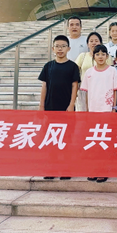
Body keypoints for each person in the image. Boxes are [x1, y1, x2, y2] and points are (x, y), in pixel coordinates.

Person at [38, 35, 82, 181]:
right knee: (52, 139)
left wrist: (71, 104)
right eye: (57, 46)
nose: (60, 49)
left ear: (68, 48)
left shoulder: (72, 66)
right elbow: (44, 86)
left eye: (63, 46)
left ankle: (65, 170)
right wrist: (41, 105)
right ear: (53, 48)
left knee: (67, 139)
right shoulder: (48, 66)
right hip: (51, 108)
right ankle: (51, 169)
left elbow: (75, 86)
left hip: (66, 109)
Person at [80, 44, 117, 184]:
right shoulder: (89, 73)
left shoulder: (112, 71)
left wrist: (114, 108)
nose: (100, 57)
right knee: (93, 142)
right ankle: (94, 169)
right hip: (93, 111)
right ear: (93, 56)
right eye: (97, 54)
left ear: (107, 56)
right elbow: (86, 93)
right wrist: (87, 110)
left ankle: (104, 170)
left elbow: (115, 91)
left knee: (104, 142)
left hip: (107, 110)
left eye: (103, 54)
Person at [75, 32, 103, 112]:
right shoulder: (82, 56)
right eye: (91, 41)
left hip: (100, 90)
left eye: (96, 41)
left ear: (101, 43)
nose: (94, 43)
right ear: (87, 44)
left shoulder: (106, 57)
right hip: (83, 90)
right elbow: (75, 72)